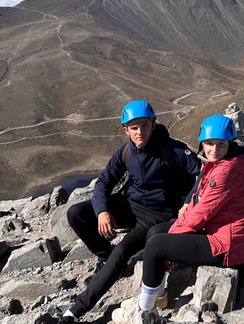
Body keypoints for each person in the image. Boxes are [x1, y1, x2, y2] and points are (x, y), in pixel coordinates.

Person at [61, 100, 201, 323]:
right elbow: (104, 183)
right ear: (125, 129)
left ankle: (74, 312)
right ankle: (108, 259)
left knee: (124, 248)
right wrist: (101, 211)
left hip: (158, 214)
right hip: (130, 205)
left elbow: (204, 173)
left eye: (144, 126)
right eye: (134, 128)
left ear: (153, 124)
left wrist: (188, 201)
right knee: (76, 213)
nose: (139, 132)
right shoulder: (126, 151)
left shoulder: (172, 149)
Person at [111, 114, 244, 322]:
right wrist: (173, 236)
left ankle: (144, 310)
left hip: (227, 247)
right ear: (202, 142)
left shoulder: (225, 173)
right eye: (209, 144)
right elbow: (197, 205)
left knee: (156, 246)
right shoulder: (223, 163)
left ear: (230, 143)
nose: (214, 150)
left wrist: (171, 244)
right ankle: (158, 297)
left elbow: (201, 214)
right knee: (156, 232)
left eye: (221, 144)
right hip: (221, 233)